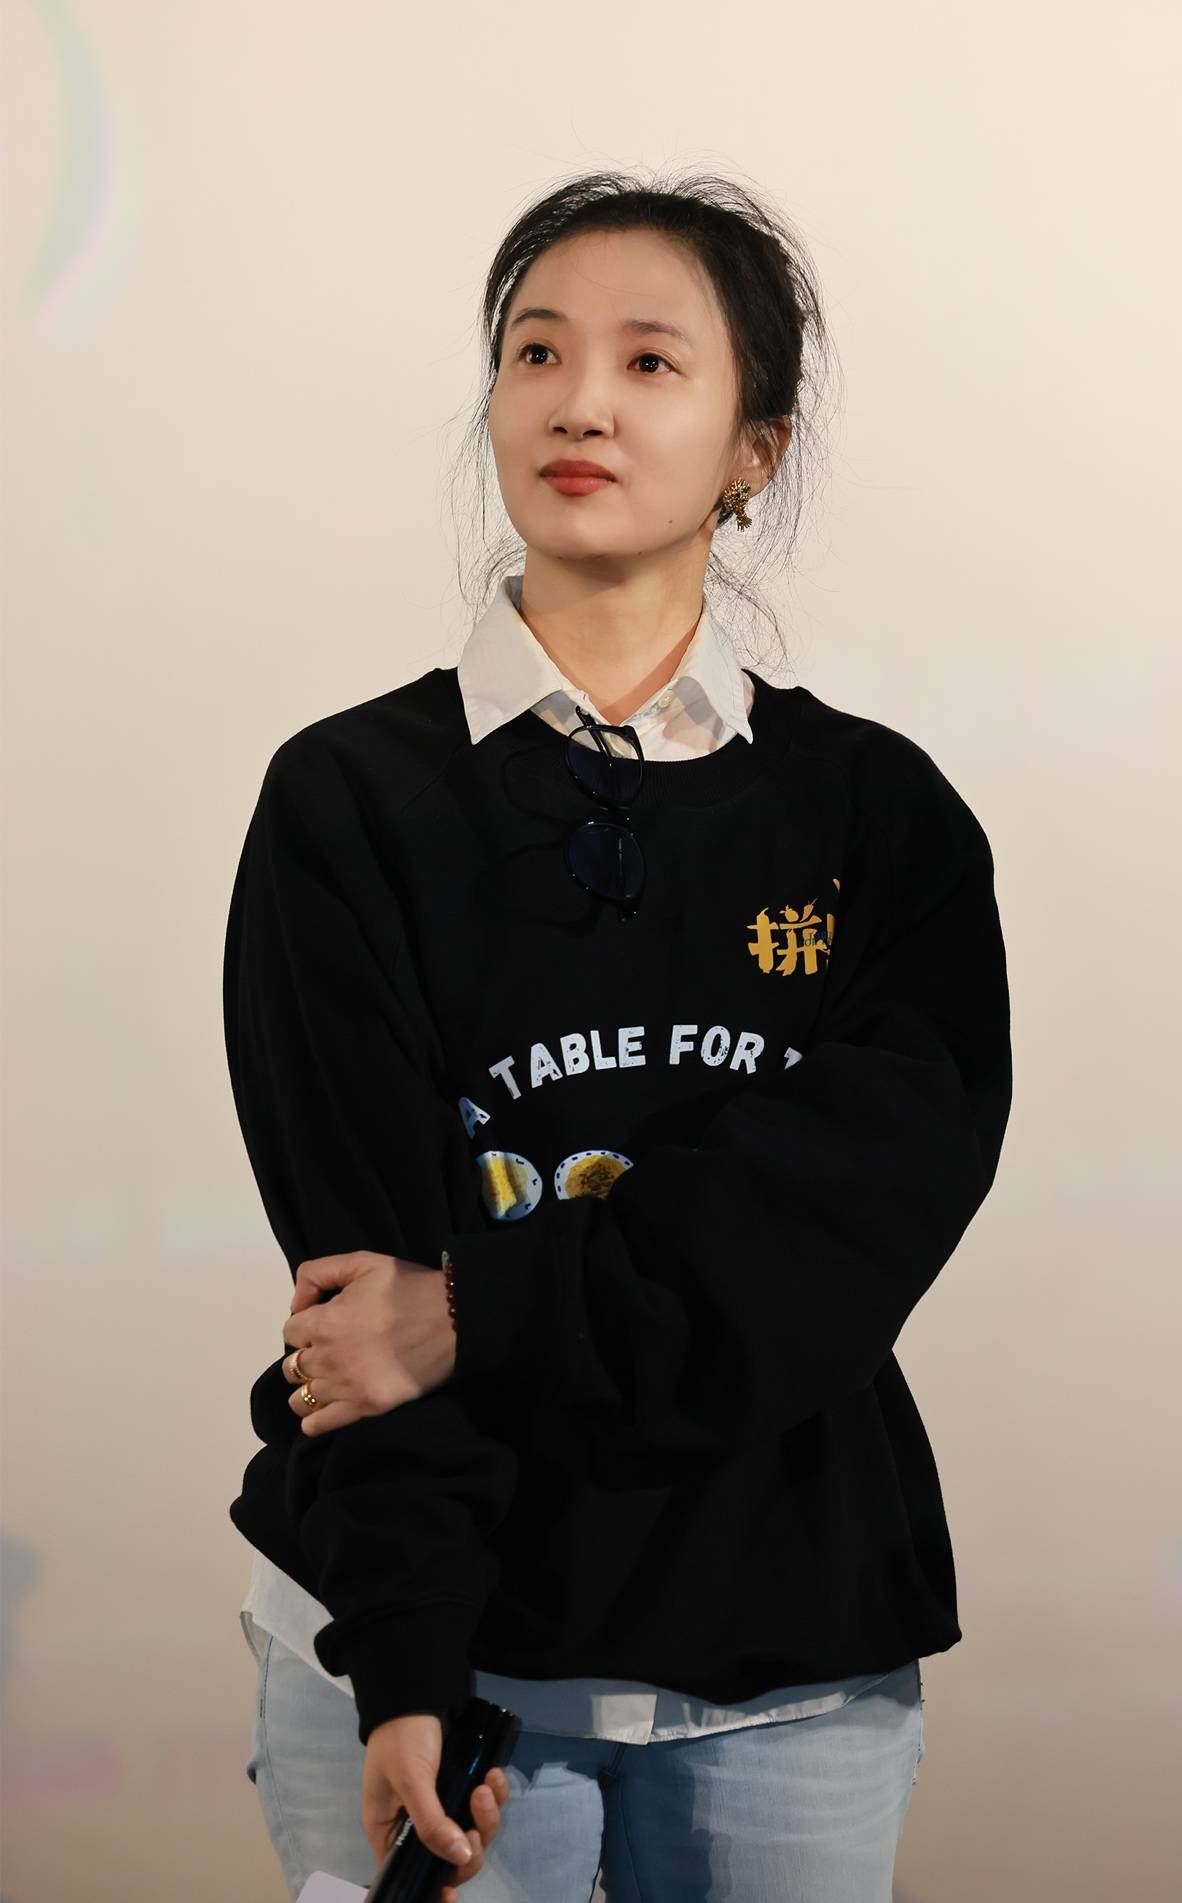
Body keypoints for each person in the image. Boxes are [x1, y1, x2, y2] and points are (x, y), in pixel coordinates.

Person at [223, 168, 1012, 1902]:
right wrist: (409, 1662)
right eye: (536, 352)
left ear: (754, 448)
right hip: (427, 1653)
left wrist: (477, 1307)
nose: (578, 402)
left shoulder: (876, 818)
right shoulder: (347, 802)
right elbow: (356, 1289)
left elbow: (831, 1239)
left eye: (650, 362)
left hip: (783, 1658)